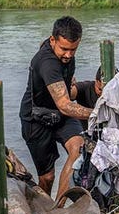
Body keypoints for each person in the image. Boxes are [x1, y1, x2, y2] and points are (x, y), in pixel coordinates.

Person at [19, 16, 92, 200]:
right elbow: (66, 105)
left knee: (78, 148)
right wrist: (97, 114)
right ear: (53, 40)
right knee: (47, 177)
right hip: (35, 118)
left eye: (73, 49)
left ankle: (58, 209)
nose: (68, 55)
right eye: (64, 49)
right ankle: (43, 207)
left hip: (60, 115)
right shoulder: (47, 62)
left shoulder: (63, 54)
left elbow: (66, 92)